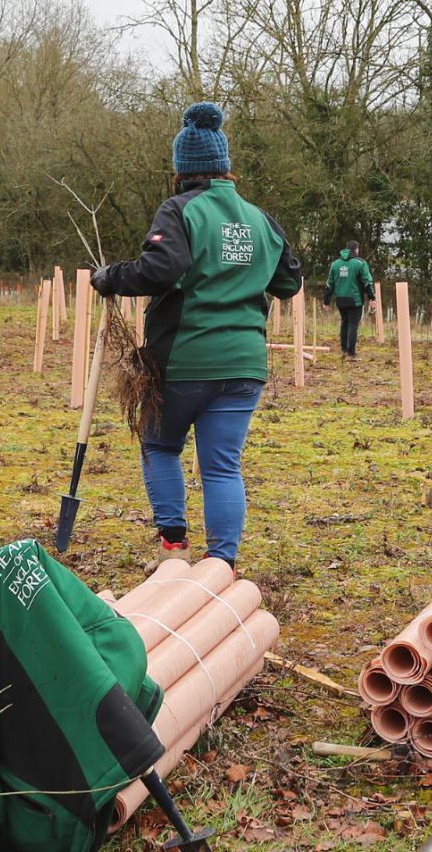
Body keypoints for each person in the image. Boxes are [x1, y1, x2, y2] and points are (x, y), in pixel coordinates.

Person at [91, 102, 302, 565]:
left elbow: (161, 268)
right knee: (222, 467)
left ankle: (174, 549)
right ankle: (221, 566)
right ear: (225, 168)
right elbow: (289, 282)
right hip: (245, 364)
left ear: (181, 171)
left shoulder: (179, 209)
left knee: (159, 444)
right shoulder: (259, 218)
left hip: (185, 361)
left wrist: (112, 277)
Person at [323, 242, 374, 359]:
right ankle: (351, 353)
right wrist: (372, 297)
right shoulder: (360, 263)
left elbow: (329, 284)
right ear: (356, 250)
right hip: (354, 300)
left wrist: (326, 301)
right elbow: (367, 282)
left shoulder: (335, 264)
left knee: (344, 323)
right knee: (353, 325)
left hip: (340, 299)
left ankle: (344, 350)